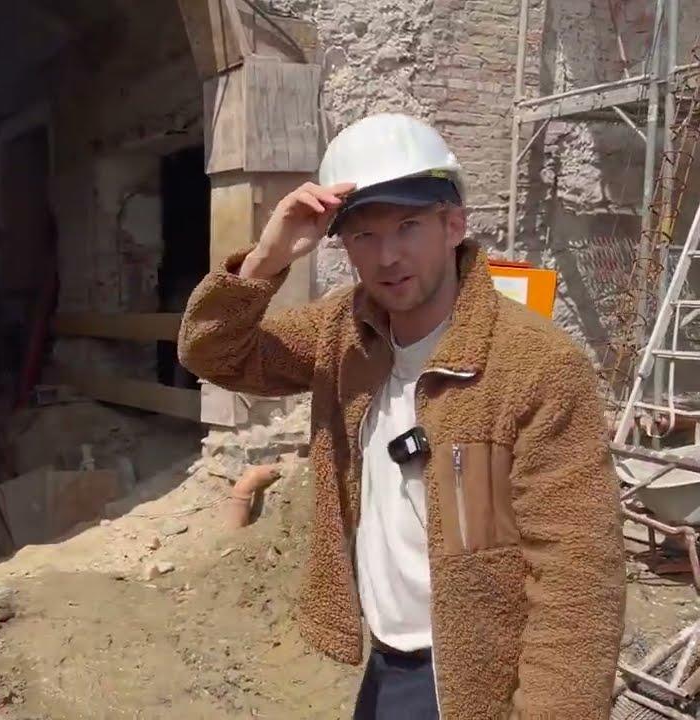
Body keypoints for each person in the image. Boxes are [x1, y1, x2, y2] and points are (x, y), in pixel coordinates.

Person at [177, 112, 625, 719]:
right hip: (387, 664)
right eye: (364, 235)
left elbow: (577, 576)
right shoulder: (341, 331)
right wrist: (264, 259)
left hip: (476, 678)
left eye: (408, 226)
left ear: (453, 225)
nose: (387, 256)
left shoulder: (536, 365)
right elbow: (213, 353)